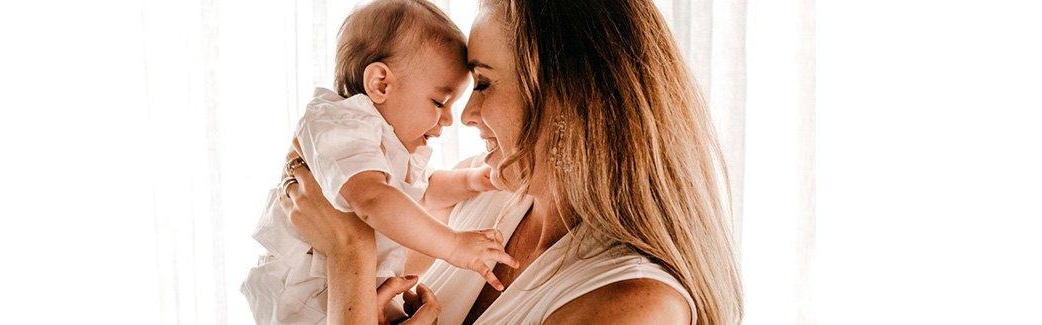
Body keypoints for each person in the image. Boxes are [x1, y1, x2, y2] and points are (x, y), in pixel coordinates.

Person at [279, 0, 744, 324]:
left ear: (566, 100)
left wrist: (349, 249)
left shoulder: (634, 306)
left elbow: (355, 258)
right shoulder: (479, 202)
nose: (465, 115)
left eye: (482, 84)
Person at [241, 1, 519, 324]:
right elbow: (374, 200)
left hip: (346, 296)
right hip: (306, 303)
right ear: (380, 84)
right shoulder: (340, 123)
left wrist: (473, 180)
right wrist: (455, 246)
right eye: (440, 102)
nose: (448, 119)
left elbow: (422, 192)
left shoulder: (385, 144)